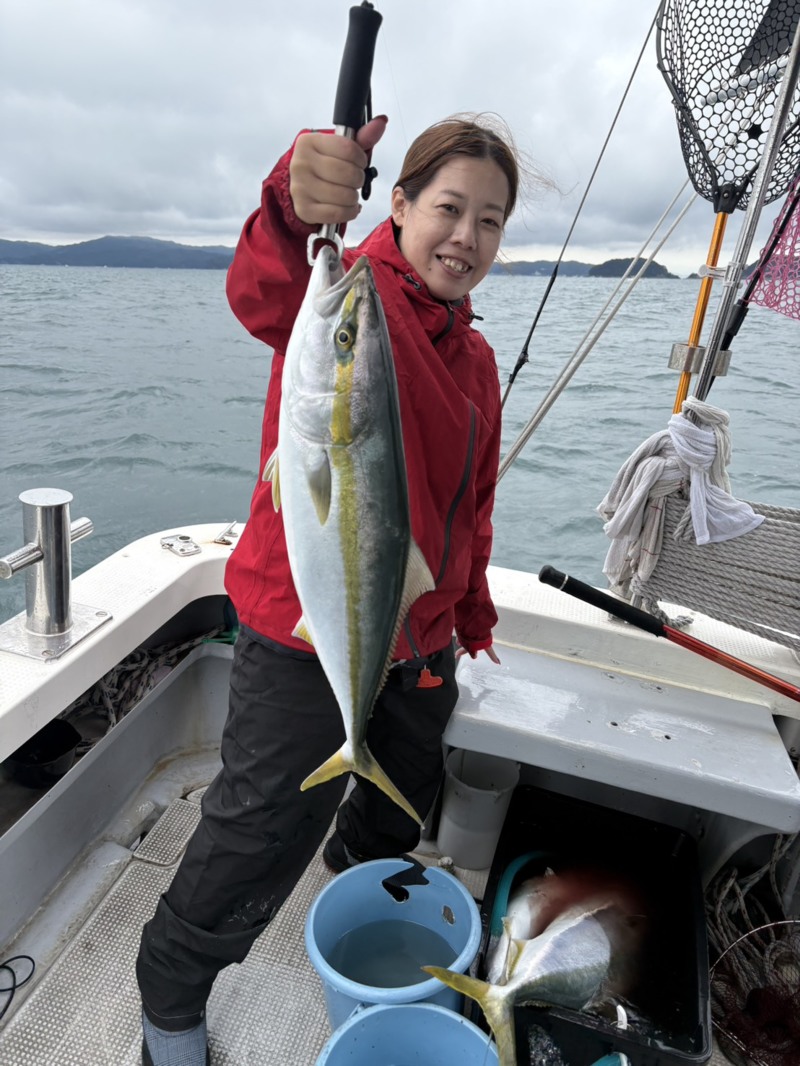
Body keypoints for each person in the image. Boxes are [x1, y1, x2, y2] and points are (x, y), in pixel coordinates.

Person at [136, 111, 521, 1066]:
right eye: (448, 208)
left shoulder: (475, 359)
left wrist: (467, 616)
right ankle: (170, 999)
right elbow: (265, 291)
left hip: (417, 636)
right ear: (400, 205)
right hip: (301, 625)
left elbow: (471, 509)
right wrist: (293, 201)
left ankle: (352, 882)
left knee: (400, 797)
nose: (466, 237)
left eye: (490, 220)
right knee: (261, 824)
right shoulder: (351, 299)